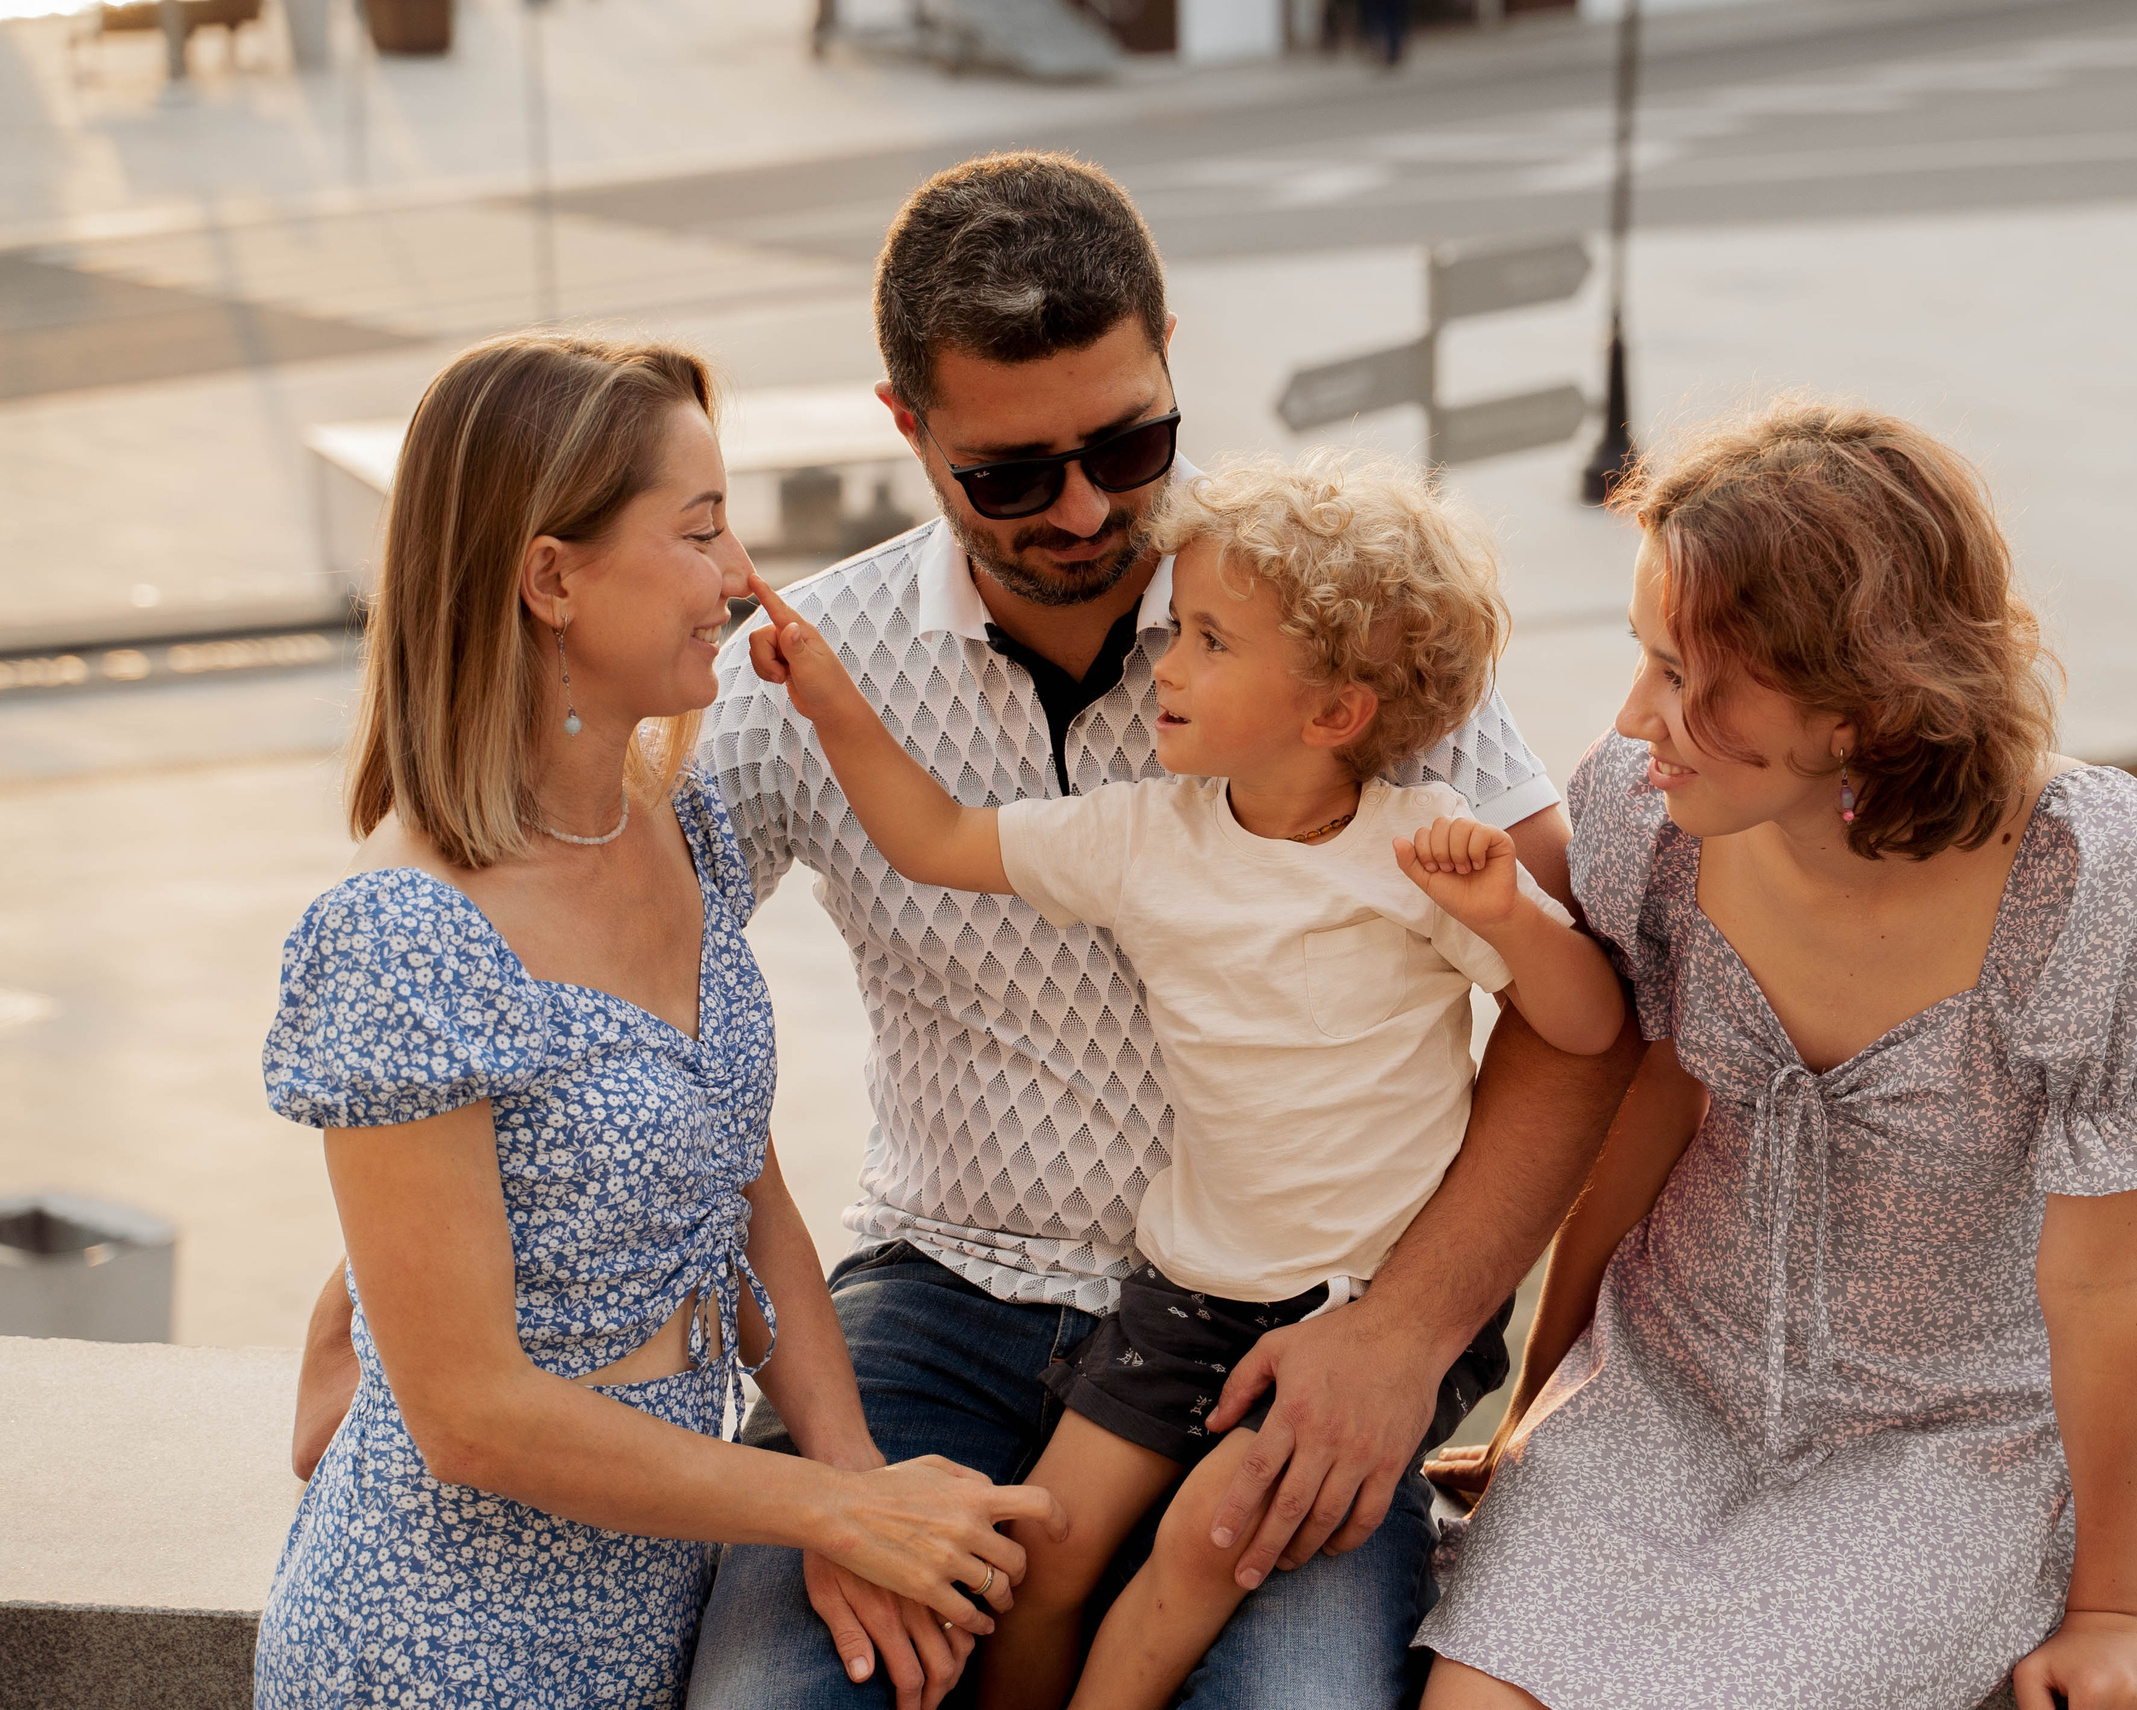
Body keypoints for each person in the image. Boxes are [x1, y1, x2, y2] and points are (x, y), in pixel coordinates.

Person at [736, 451, 1627, 1710]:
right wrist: (830, 705)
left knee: (1206, 1549)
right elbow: (933, 840)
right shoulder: (1145, 835)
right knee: (1046, 1561)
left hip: (1354, 1311)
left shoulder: (1413, 849)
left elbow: (1590, 1026)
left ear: (1333, 715)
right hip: (1190, 1292)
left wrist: (1515, 918)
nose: (1167, 662)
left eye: (1211, 641)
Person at [256, 332, 1058, 1709]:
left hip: (652, 1611)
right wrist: (820, 1512)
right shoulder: (397, 931)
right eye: (699, 533)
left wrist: (856, 1476)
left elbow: (743, 1182)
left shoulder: (677, 821)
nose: (741, 578)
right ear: (550, 576)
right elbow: (470, 1415)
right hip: (436, 1652)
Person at [1416, 399, 2137, 1710]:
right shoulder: (1651, 821)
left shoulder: (2090, 879)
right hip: (1660, 1395)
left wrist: (2114, 1608)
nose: (1638, 716)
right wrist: (1537, 1405)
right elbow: (1642, 1122)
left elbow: (2107, 1280)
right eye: (1645, 657)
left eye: (1687, 674)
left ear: (1863, 700)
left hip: (1936, 1443)